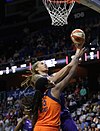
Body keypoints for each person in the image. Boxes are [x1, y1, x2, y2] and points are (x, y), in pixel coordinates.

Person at [21, 42, 85, 131]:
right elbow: (57, 77)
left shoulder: (51, 76)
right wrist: (75, 59)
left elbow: (68, 69)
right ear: (36, 69)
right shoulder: (35, 78)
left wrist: (77, 56)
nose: (45, 64)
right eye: (42, 63)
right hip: (49, 110)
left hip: (61, 110)